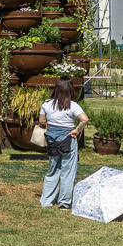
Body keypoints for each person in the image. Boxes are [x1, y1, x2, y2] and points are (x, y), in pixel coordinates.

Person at [37, 77, 87, 210]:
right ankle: (64, 202)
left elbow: (41, 121)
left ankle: (46, 201)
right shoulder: (73, 105)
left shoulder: (46, 104)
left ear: (56, 88)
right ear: (70, 89)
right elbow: (84, 119)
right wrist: (76, 130)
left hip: (52, 140)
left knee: (53, 170)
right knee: (68, 171)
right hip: (68, 140)